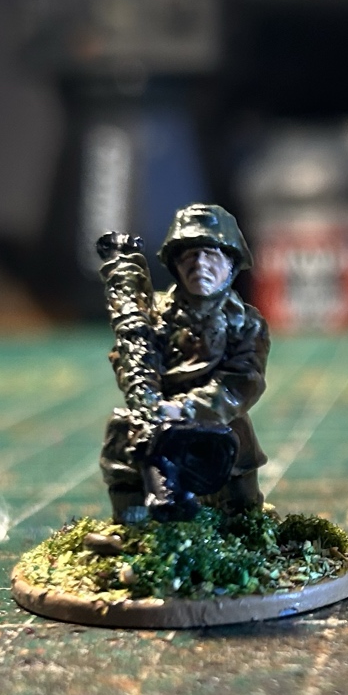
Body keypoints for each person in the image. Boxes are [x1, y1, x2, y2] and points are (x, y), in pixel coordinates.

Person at [96, 206, 268, 522]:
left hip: (215, 422)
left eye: (210, 255)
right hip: (156, 418)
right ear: (175, 265)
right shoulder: (154, 315)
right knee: (124, 449)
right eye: (190, 256)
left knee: (238, 504)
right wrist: (143, 390)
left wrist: (186, 409)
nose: (199, 264)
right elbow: (128, 360)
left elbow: (243, 381)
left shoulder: (246, 323)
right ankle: (133, 529)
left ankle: (237, 529)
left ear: (231, 263)